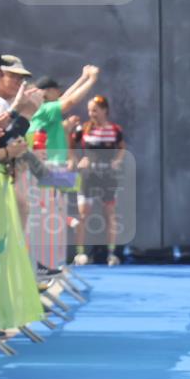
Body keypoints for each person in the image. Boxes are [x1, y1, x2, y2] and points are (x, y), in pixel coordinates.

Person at [73, 95, 125, 266]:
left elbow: (122, 148)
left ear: (104, 110)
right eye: (89, 110)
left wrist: (117, 160)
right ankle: (80, 254)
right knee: (83, 214)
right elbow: (69, 143)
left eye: (95, 110)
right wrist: (76, 161)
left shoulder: (115, 129)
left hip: (107, 177)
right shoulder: (84, 128)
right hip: (88, 176)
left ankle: (111, 254)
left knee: (110, 214)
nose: (91, 113)